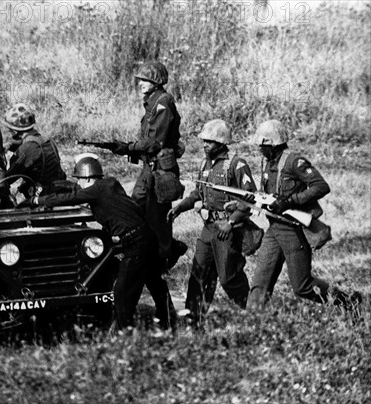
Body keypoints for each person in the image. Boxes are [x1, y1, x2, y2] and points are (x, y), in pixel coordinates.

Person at [26, 154, 177, 330]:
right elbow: (80, 191)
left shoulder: (95, 191)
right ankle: (169, 319)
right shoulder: (111, 184)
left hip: (136, 244)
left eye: (80, 180)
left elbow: (71, 198)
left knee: (122, 292)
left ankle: (122, 331)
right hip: (148, 237)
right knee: (155, 283)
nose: (79, 184)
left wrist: (38, 200)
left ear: (88, 178)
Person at [246, 120, 361, 310]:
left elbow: (321, 186)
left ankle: (349, 302)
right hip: (274, 229)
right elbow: (268, 193)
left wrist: (290, 201)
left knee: (303, 287)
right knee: (259, 285)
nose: (259, 148)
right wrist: (253, 199)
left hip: (293, 230)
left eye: (262, 145)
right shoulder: (268, 163)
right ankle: (255, 325)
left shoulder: (294, 162)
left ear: (272, 145)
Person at [169, 119, 256, 323]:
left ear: (221, 142)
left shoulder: (236, 164)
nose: (205, 145)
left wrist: (232, 221)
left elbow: (249, 197)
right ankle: (194, 319)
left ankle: (254, 315)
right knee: (199, 273)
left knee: (229, 277)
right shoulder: (205, 164)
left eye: (209, 141)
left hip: (227, 229)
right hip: (208, 229)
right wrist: (180, 207)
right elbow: (198, 193)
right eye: (204, 141)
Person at [110, 61, 188, 269]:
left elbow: (155, 142)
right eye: (140, 80)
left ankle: (164, 256)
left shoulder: (163, 103)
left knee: (158, 217)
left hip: (160, 171)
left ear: (157, 81)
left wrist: (129, 148)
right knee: (136, 208)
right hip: (150, 168)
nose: (141, 84)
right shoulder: (152, 102)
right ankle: (143, 250)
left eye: (146, 80)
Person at [0, 103, 66, 196]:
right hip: (58, 190)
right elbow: (31, 147)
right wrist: (10, 145)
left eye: (10, 129)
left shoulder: (27, 148)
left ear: (15, 131)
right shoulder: (47, 140)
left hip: (42, 197)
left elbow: (8, 179)